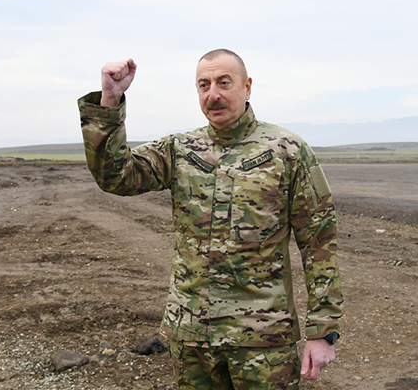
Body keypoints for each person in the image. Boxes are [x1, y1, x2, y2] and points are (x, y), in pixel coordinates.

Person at [78, 49, 344, 389]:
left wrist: (323, 331)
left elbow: (319, 242)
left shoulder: (287, 151)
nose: (213, 94)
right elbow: (115, 176)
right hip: (191, 337)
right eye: (203, 85)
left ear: (247, 87)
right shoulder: (180, 149)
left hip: (263, 341)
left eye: (224, 83)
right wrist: (110, 102)